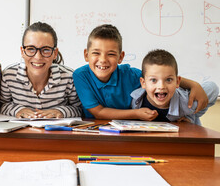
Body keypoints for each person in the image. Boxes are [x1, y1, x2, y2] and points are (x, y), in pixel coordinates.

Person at [73, 24, 209, 120]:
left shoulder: (129, 75)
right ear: (86, 55)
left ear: (121, 57)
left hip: (131, 130)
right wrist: (136, 113)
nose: (103, 60)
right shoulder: (81, 76)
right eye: (96, 53)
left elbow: (158, 76)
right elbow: (99, 112)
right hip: (94, 129)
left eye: (111, 54)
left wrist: (193, 85)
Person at [0, 22, 82, 118]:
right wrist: (18, 110)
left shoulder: (69, 77)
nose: (38, 57)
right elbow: (1, 105)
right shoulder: (9, 75)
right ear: (22, 52)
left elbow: (79, 109)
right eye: (31, 49)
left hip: (56, 131)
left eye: (46, 50)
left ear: (55, 53)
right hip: (20, 131)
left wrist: (60, 111)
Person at [131, 49, 219, 125]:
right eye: (154, 80)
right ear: (143, 83)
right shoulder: (136, 100)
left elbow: (213, 88)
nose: (161, 86)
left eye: (168, 80)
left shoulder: (186, 103)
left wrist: (192, 115)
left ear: (177, 82)